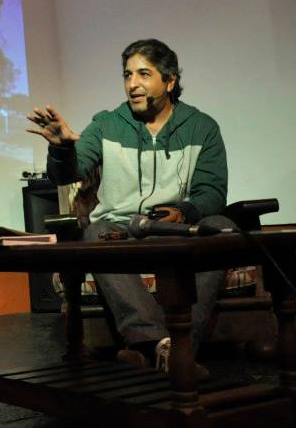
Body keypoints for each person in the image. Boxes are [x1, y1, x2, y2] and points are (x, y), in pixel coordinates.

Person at [25, 38, 234, 373]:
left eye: (143, 74)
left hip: (174, 229)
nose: (132, 84)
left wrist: (186, 211)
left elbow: (212, 191)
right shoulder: (107, 124)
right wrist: (62, 149)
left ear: (169, 81)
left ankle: (175, 349)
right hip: (121, 231)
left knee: (223, 226)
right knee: (96, 231)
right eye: (127, 75)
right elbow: (71, 171)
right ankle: (159, 344)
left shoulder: (202, 127)